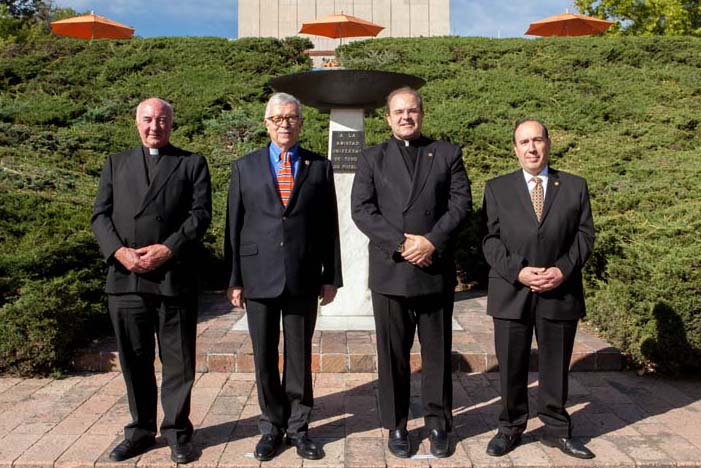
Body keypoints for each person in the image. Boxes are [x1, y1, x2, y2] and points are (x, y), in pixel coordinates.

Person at [351, 87, 471, 458]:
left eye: (413, 110)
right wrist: (403, 245)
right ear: (387, 118)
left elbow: (461, 203)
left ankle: (437, 422)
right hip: (392, 271)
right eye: (399, 112)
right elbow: (362, 209)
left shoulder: (447, 153)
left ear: (422, 114)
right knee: (393, 355)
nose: (406, 117)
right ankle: (397, 423)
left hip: (433, 270)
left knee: (436, 354)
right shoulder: (372, 157)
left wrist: (431, 242)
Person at [91, 98, 212, 464]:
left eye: (161, 120)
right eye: (147, 119)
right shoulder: (116, 163)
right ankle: (141, 430)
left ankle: (177, 432)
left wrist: (168, 248)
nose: (154, 126)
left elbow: (200, 215)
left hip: (172, 277)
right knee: (135, 359)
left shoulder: (191, 163)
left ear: (172, 124)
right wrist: (119, 252)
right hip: (125, 279)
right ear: (136, 123)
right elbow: (99, 216)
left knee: (178, 362)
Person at [224, 92, 342, 462]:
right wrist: (234, 280)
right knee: (263, 356)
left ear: (301, 123)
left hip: (303, 275)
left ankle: (299, 427)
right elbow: (233, 227)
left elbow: (329, 226)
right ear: (266, 124)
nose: (284, 124)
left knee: (298, 355)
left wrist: (332, 276)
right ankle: (271, 427)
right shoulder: (245, 167)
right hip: (258, 275)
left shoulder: (319, 167)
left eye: (291, 118)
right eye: (277, 119)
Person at [482, 119, 595, 459]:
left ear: (548, 143)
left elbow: (585, 235)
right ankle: (510, 427)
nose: (531, 148)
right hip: (511, 291)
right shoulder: (497, 188)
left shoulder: (574, 186)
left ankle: (557, 429)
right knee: (512, 366)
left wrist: (562, 270)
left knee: (556, 365)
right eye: (523, 142)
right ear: (515, 148)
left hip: (560, 290)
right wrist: (519, 273)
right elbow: (489, 240)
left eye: (537, 140)